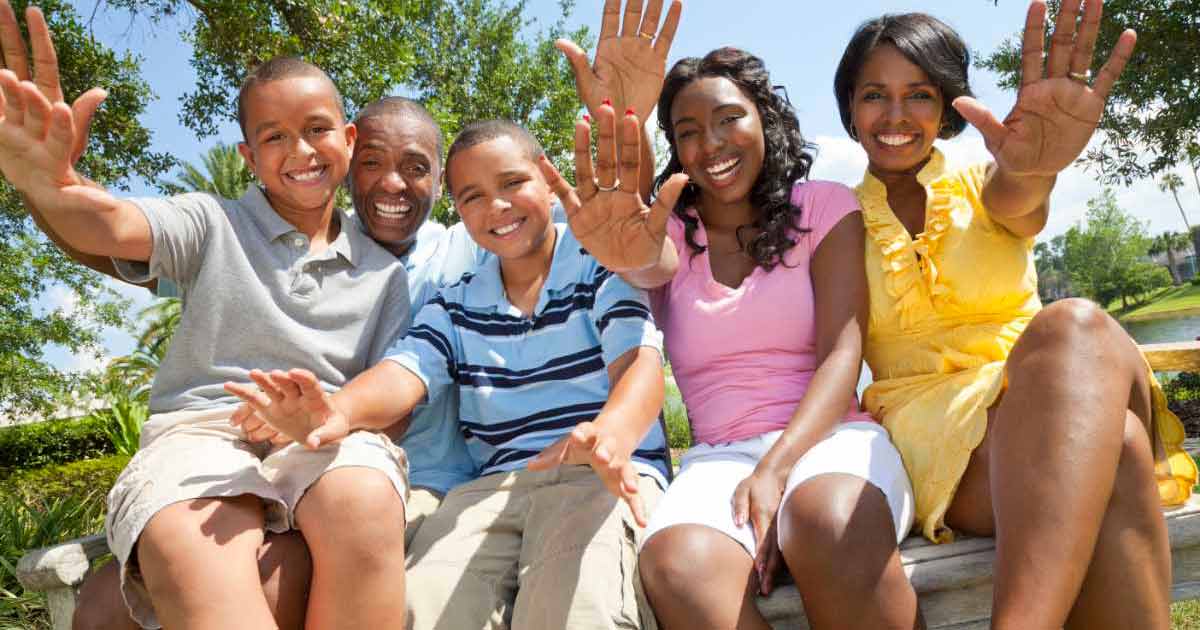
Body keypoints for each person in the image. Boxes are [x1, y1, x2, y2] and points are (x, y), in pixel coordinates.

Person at [0, 8, 414, 624]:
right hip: (202, 433)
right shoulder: (208, 221)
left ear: (349, 140)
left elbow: (394, 402)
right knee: (189, 531)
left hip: (326, 436)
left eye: (318, 129)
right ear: (248, 156)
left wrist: (326, 417)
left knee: (364, 494)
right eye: (274, 137)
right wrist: (47, 187)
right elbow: (110, 224)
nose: (300, 150)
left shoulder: (386, 275)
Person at [227, 118, 676, 630]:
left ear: (547, 182)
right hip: (493, 488)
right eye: (473, 197)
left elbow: (639, 364)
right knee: (424, 603)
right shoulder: (457, 300)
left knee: (575, 607)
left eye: (512, 184)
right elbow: (406, 371)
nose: (498, 207)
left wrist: (612, 434)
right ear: (458, 211)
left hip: (598, 476)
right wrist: (339, 410)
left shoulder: (598, 264)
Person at [835, 2, 1197, 628]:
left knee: (1072, 325)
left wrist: (1036, 168)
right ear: (849, 108)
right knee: (1123, 451)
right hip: (937, 432)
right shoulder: (831, 220)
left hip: (1058, 384)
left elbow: (1020, 199)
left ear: (947, 104)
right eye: (875, 95)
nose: (896, 115)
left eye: (919, 94)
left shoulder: (985, 179)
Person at [542, 45, 920, 629]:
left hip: (831, 438)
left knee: (825, 519)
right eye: (688, 131)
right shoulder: (667, 230)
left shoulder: (825, 206)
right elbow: (646, 261)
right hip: (719, 459)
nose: (711, 143)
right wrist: (626, 121)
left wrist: (775, 469)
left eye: (728, 119)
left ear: (763, 116)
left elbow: (843, 354)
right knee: (675, 563)